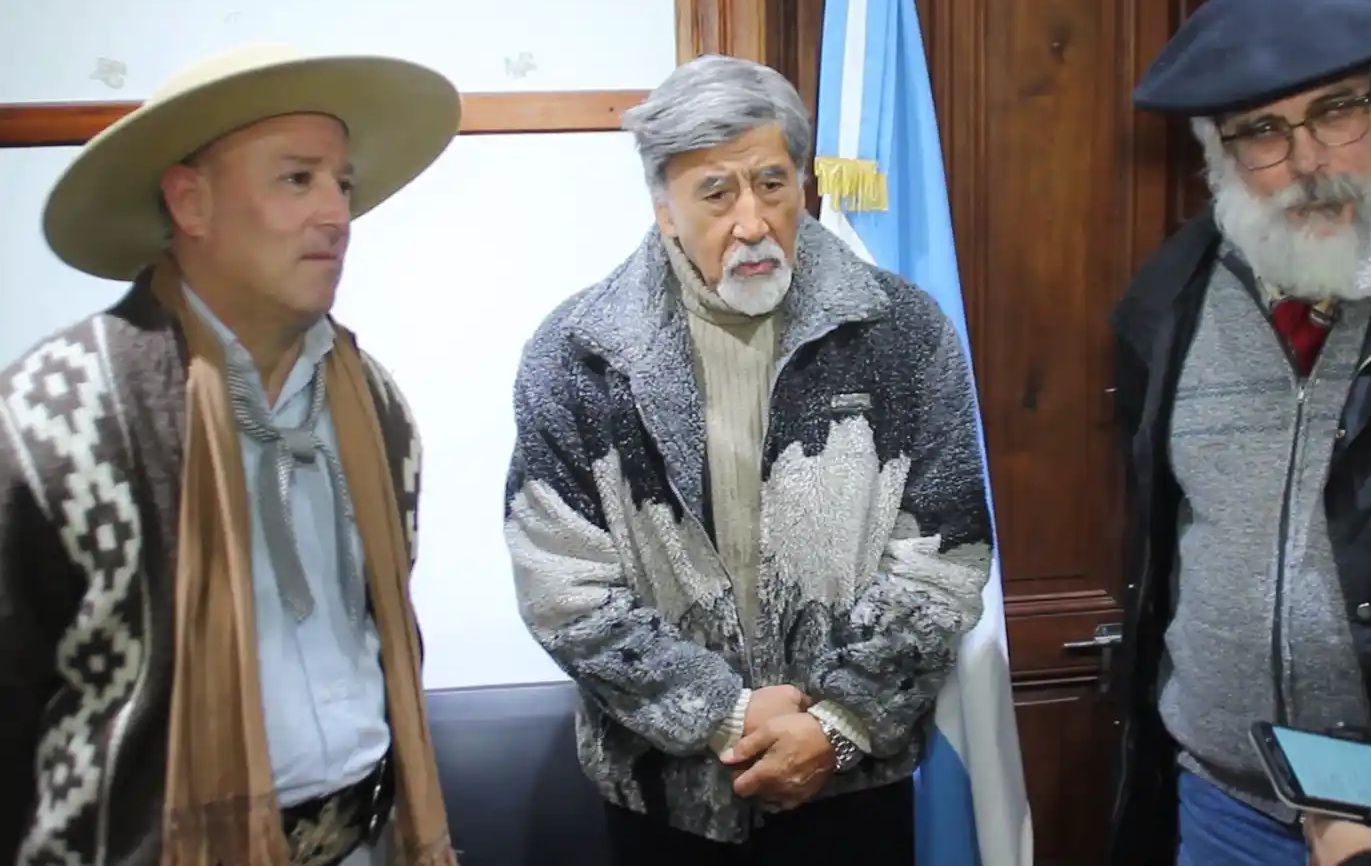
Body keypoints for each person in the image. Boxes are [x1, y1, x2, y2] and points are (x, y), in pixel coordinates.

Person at [503, 53, 993, 864]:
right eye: (716, 193)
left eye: (772, 183)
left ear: (803, 182)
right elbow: (562, 585)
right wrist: (726, 716)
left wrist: (836, 727)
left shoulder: (902, 334)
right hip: (665, 799)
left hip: (853, 789)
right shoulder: (577, 357)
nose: (753, 222)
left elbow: (944, 559)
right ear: (664, 209)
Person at [0, 43, 463, 865]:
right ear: (192, 202)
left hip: (367, 838)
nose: (336, 213)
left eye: (342, 183)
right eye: (298, 179)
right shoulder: (57, 416)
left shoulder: (375, 407)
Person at [1108, 0, 1371, 865]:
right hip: (1225, 798)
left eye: (1337, 110)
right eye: (1263, 132)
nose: (1309, 163)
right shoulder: (1167, 299)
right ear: (1221, 152)